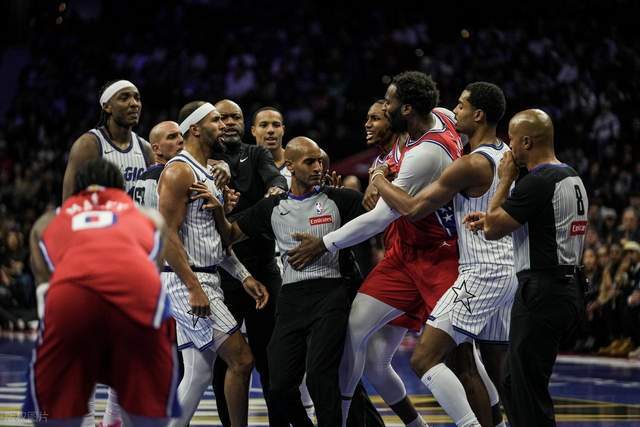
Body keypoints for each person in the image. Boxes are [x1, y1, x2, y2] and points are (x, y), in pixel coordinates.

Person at [288, 71, 470, 427]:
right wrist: (379, 174)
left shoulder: (422, 154)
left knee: (459, 359)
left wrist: (323, 242)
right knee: (363, 343)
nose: (372, 119)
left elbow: (383, 216)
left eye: (381, 111)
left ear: (403, 113)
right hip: (403, 256)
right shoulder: (412, 139)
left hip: (441, 254)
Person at [371, 82, 515, 427]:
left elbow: (412, 209)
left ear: (478, 115)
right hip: (507, 268)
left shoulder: (470, 164)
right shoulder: (505, 153)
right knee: (492, 370)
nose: (455, 110)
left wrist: (379, 180)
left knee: (424, 359)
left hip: (482, 273)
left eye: (461, 106)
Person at [209, 137, 367, 426]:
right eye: (310, 162)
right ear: (290, 166)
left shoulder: (341, 199)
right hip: (291, 299)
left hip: (331, 295)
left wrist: (379, 182)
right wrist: (220, 209)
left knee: (320, 378)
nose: (318, 167)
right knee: (279, 386)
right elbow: (229, 235)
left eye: (320, 161)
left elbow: (376, 218)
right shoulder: (271, 207)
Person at [24, 158, 179, 427]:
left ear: (78, 188)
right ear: (119, 187)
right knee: (148, 413)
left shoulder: (50, 219)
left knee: (52, 412)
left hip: (71, 298)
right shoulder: (147, 216)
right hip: (136, 292)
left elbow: (44, 281)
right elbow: (153, 267)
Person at [464, 109, 588, 426]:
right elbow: (541, 225)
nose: (509, 148)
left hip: (542, 292)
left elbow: (493, 230)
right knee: (512, 381)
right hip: (567, 287)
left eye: (512, 140)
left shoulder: (536, 181)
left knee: (526, 389)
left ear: (527, 142)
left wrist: (505, 179)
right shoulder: (570, 176)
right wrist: (494, 218)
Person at [159, 101, 268, 427]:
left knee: (198, 374)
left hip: (205, 277)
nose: (223, 126)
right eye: (216, 120)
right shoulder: (180, 171)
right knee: (242, 360)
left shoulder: (207, 171)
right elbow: (166, 236)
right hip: (187, 282)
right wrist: (194, 287)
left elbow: (212, 241)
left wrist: (244, 276)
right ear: (195, 129)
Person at [210, 99, 290, 426]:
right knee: (223, 364)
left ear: (244, 125)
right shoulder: (199, 160)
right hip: (220, 274)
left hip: (263, 271)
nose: (229, 122)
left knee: (272, 359)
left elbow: (278, 181)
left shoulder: (256, 154)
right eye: (222, 117)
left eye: (236, 117)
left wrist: (274, 192)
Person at [61, 80, 153, 201]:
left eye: (137, 98)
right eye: (124, 98)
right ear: (107, 107)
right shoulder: (88, 145)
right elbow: (69, 200)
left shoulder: (146, 148)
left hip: (136, 213)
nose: (134, 103)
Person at [251, 106, 290, 187]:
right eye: (263, 125)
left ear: (283, 130)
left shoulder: (297, 163)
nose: (270, 130)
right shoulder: (243, 164)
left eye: (276, 125)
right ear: (253, 131)